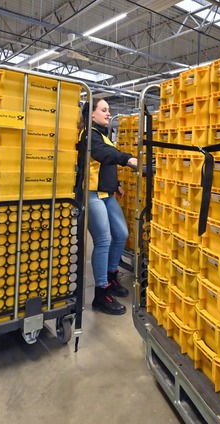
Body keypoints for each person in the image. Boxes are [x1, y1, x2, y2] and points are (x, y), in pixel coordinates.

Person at [79, 98, 138, 315]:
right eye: (104, 110)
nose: (108, 113)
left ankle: (112, 278)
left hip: (107, 192)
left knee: (121, 234)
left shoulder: (102, 134)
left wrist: (117, 183)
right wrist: (128, 159)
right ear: (91, 114)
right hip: (92, 194)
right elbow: (102, 154)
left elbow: (104, 163)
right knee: (103, 239)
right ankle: (101, 293)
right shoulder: (88, 135)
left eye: (108, 110)